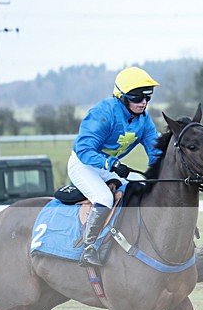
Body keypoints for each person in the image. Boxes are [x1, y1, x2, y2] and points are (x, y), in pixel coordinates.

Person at [68, 66, 162, 266]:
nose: (143, 102)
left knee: (141, 184)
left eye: (147, 97)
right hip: (83, 164)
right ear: (122, 97)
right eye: (137, 98)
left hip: (108, 167)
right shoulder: (104, 112)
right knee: (104, 198)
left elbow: (155, 152)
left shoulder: (144, 120)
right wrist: (111, 163)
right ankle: (89, 248)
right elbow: (84, 149)